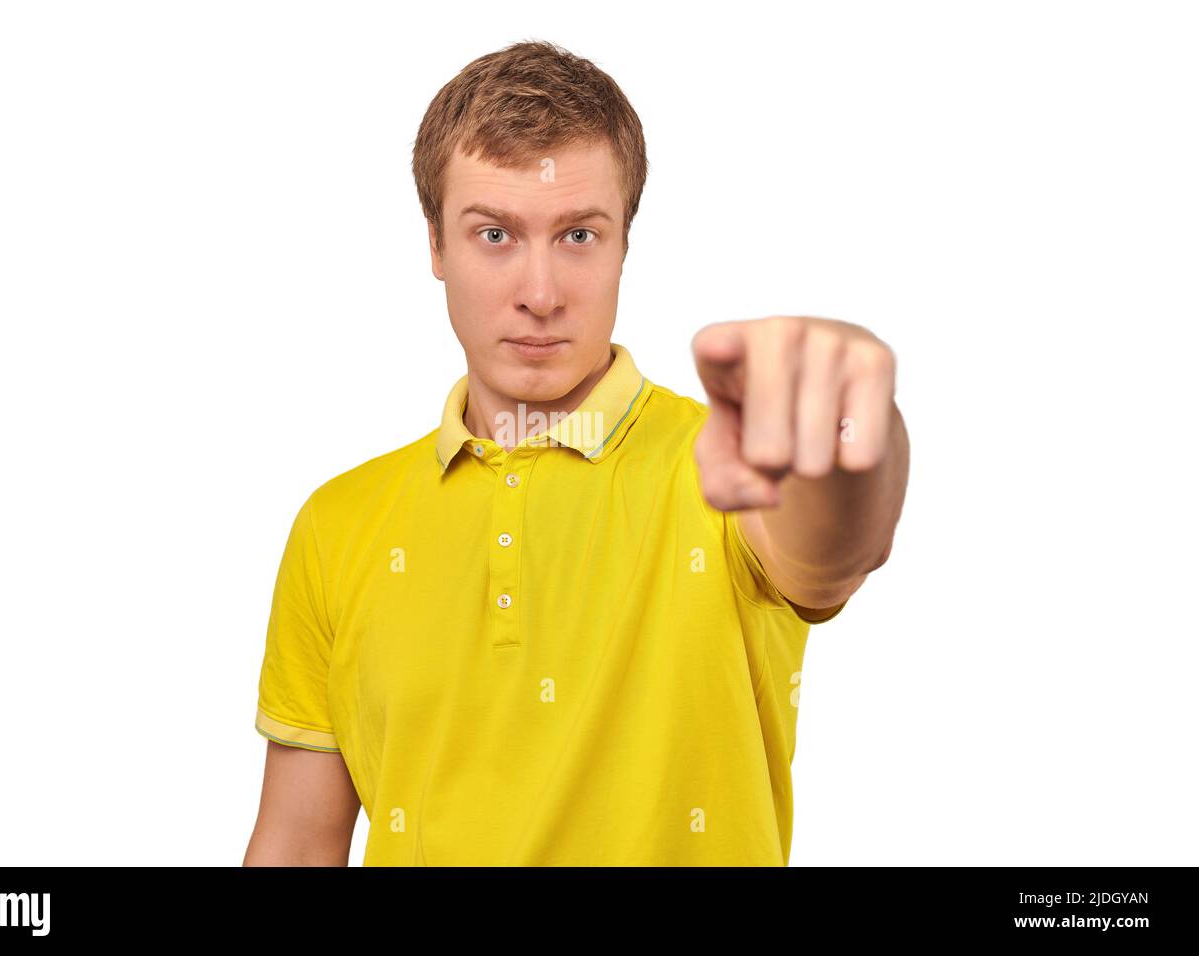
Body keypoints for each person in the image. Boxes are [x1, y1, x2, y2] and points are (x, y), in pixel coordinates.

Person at [243, 39, 909, 867]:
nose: (541, 292)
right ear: (435, 247)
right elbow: (297, 848)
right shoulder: (336, 524)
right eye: (494, 234)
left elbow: (837, 547)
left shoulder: (722, 467)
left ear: (625, 242)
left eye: (579, 236)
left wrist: (854, 429)